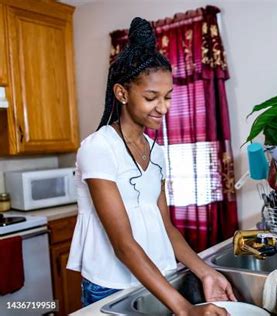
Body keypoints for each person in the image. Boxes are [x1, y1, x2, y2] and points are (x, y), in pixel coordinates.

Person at [66, 17, 235, 316]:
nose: (164, 107)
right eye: (151, 97)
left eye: (168, 96)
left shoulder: (156, 152)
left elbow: (164, 225)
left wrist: (206, 272)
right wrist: (185, 310)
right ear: (121, 93)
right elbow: (123, 244)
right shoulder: (98, 148)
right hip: (111, 285)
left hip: (157, 277)